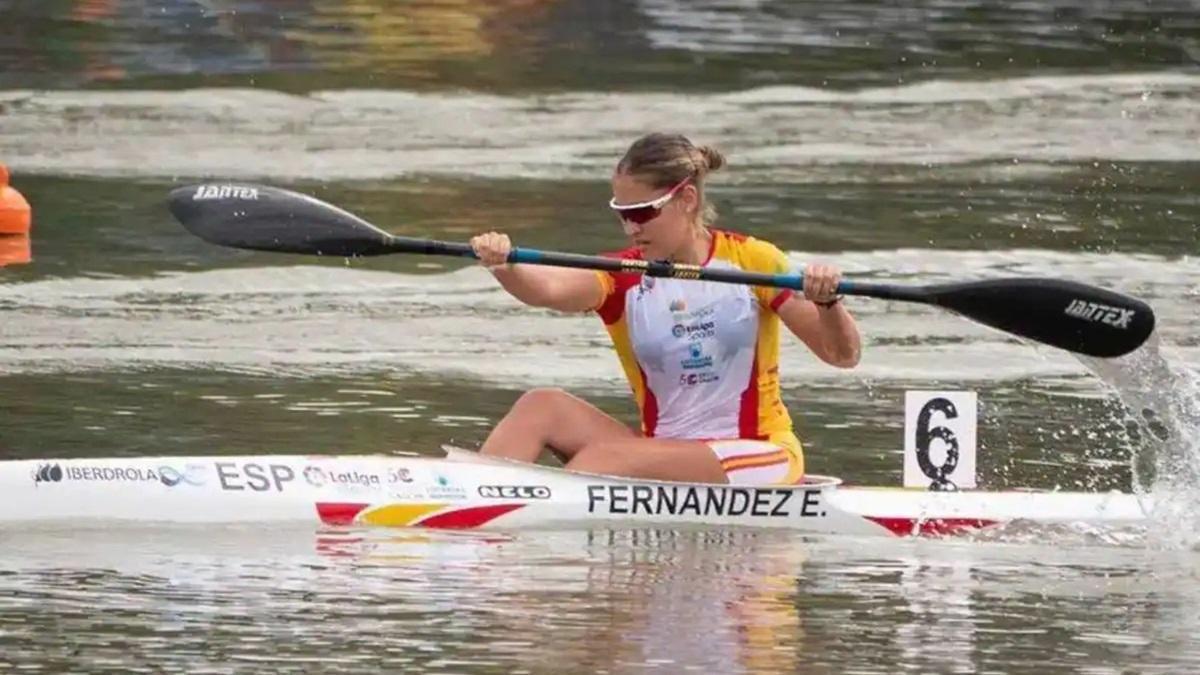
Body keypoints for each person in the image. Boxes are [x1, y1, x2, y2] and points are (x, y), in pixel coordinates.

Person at [469, 133, 861, 485]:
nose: (631, 229)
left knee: (605, 460)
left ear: (687, 199)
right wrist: (505, 265)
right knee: (542, 405)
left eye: (642, 213)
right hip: (662, 452)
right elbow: (548, 289)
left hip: (759, 454)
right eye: (623, 214)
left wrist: (829, 303)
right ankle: (470, 507)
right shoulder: (624, 274)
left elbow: (843, 355)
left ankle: (518, 515)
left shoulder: (753, 262)